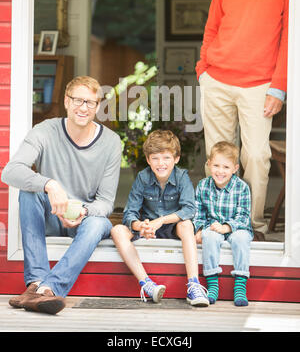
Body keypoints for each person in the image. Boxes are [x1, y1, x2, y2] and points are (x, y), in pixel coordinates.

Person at [195, 0, 289, 238]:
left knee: (257, 156)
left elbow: (291, 36)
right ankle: (214, 221)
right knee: (216, 156)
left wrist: (279, 87)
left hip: (259, 84)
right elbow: (212, 26)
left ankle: (250, 226)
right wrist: (202, 67)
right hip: (217, 78)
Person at [1, 76, 122, 315]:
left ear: (97, 107)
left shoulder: (111, 142)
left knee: (100, 222)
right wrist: (49, 184)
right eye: (77, 100)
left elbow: (106, 202)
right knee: (29, 192)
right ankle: (36, 281)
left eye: (90, 102)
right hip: (52, 215)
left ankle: (48, 289)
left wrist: (84, 212)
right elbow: (10, 171)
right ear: (66, 101)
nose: (83, 107)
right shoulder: (45, 130)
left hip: (83, 221)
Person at [111, 129, 209, 306]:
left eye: (166, 158)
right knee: (117, 230)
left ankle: (194, 285)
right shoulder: (143, 177)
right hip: (147, 228)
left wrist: (162, 220)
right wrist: (141, 226)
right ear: (148, 160)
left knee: (186, 225)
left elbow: (189, 209)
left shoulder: (182, 177)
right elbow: (130, 212)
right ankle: (147, 284)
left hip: (172, 227)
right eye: (155, 158)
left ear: (176, 158)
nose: (160, 163)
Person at [194, 141, 253, 306]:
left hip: (236, 228)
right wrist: (199, 229)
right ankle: (212, 284)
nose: (220, 171)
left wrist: (226, 227)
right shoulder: (203, 186)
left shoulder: (242, 188)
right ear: (209, 164)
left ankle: (240, 286)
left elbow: (243, 217)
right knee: (209, 237)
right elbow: (198, 214)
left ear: (235, 168)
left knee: (242, 239)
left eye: (226, 167)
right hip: (212, 227)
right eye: (216, 166)